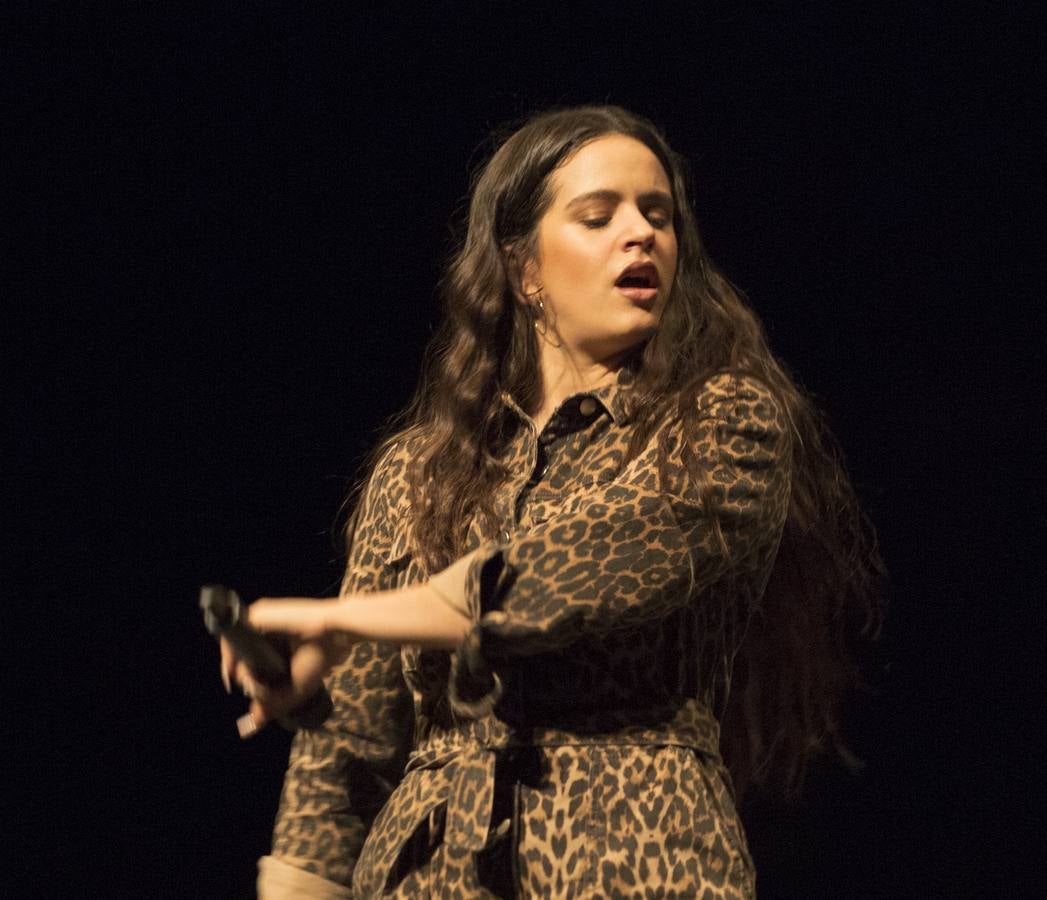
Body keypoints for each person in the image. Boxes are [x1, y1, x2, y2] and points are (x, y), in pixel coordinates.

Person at [222, 105, 885, 898]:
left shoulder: (719, 426)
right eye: (598, 216)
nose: (640, 235)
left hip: (636, 859)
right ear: (524, 270)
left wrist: (335, 619)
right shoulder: (416, 471)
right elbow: (342, 762)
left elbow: (554, 580)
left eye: (658, 216)